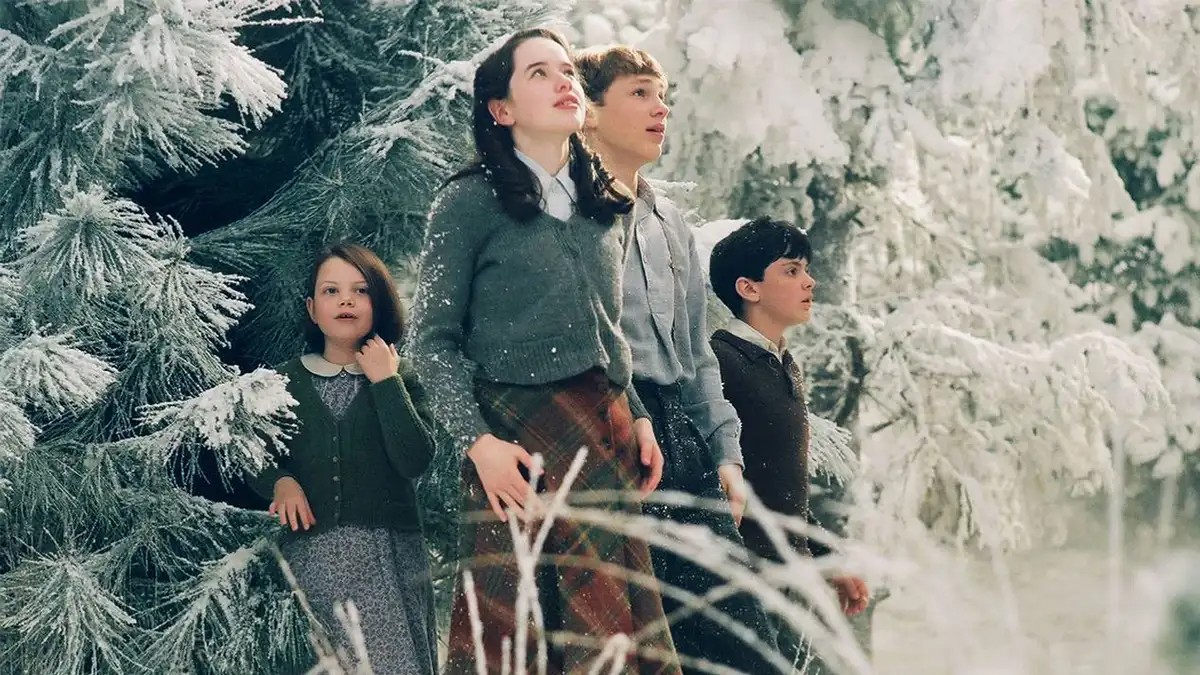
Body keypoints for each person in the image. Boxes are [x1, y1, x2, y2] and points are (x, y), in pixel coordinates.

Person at [405, 27, 680, 675]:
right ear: (501, 110)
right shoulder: (466, 203)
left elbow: (609, 331)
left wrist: (636, 411)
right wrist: (479, 443)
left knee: (614, 638)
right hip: (517, 448)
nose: (563, 82)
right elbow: (430, 341)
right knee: (518, 643)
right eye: (538, 73)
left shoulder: (609, 204)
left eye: (566, 71)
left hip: (605, 438)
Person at [576, 45, 780, 674]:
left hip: (682, 444)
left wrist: (725, 453)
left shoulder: (669, 222)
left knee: (741, 640)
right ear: (588, 110)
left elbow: (695, 356)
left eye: (662, 94)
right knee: (640, 646)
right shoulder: (568, 216)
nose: (659, 108)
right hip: (608, 438)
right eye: (640, 92)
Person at [248, 243, 438, 675]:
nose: (346, 300)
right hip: (311, 554)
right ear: (313, 309)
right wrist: (280, 482)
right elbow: (254, 453)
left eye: (360, 290)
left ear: (380, 304)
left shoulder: (400, 378)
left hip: (386, 556)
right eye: (332, 291)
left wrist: (385, 382)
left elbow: (414, 459)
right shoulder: (282, 381)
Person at [707, 218, 869, 668]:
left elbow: (780, 490)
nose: (809, 281)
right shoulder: (721, 363)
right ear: (749, 287)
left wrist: (828, 558)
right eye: (791, 270)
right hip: (746, 583)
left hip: (789, 578)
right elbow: (720, 481)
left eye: (806, 269)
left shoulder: (783, 365)